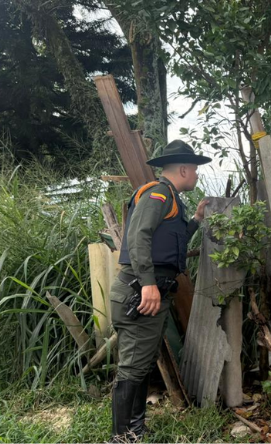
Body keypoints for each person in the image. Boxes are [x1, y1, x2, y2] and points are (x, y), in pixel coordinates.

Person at [109, 140, 211, 442]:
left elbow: (169, 241)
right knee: (131, 366)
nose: (196, 175)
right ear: (183, 169)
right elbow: (139, 236)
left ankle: (134, 429)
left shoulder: (171, 198)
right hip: (138, 290)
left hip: (146, 291)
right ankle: (121, 436)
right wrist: (148, 283)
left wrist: (195, 221)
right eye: (194, 169)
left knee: (140, 362)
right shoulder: (158, 194)